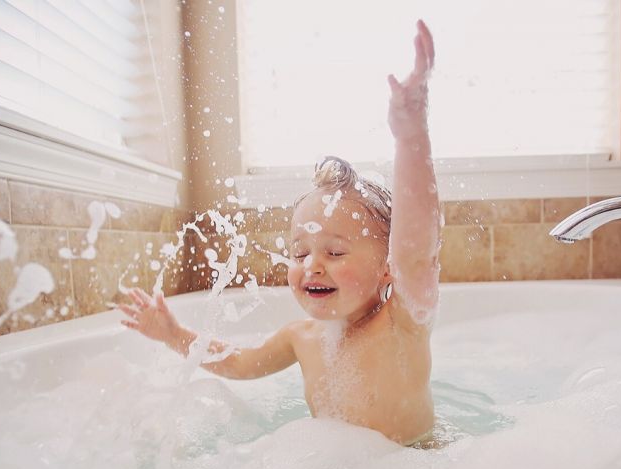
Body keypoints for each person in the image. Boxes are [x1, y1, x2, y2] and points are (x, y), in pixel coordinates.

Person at [119, 19, 440, 446]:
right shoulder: (301, 337)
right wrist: (173, 334)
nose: (313, 266)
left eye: (335, 253)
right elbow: (239, 363)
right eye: (300, 252)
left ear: (387, 268)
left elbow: (417, 251)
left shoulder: (402, 324)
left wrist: (411, 136)